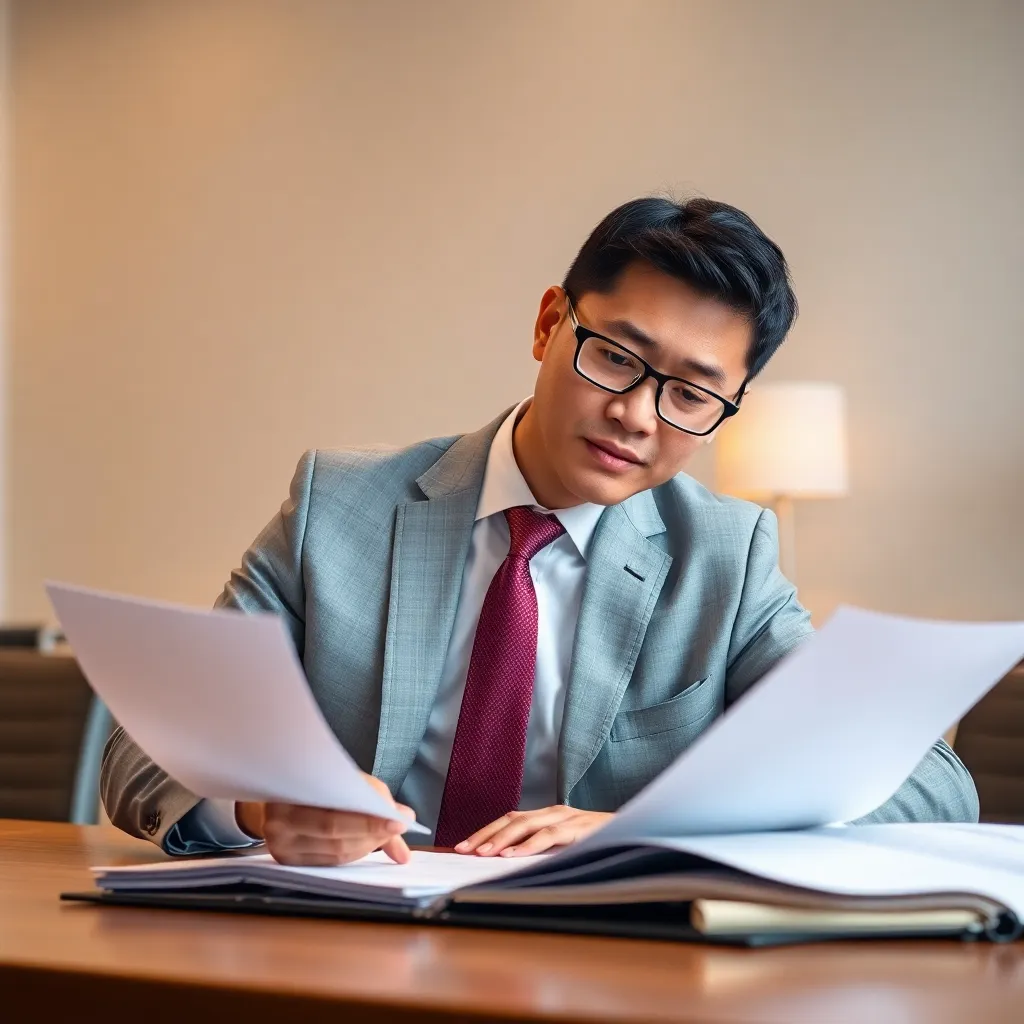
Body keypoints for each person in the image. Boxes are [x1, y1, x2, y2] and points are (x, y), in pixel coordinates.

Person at [101, 196, 978, 867]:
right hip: (346, 949)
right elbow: (147, 739)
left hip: (597, 975)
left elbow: (927, 782)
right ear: (550, 322)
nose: (637, 415)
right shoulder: (340, 505)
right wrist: (260, 806)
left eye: (692, 394)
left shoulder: (726, 556)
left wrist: (645, 832)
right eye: (615, 357)